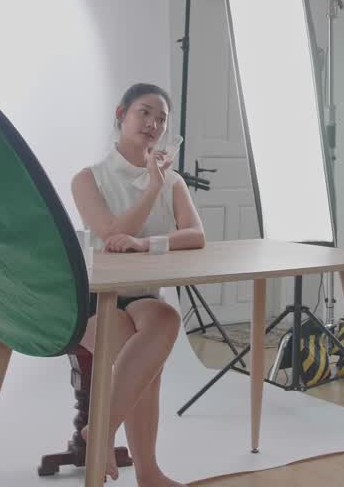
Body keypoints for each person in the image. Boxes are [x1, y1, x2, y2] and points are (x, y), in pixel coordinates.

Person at [71, 83, 206, 486]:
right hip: (97, 300)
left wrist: (147, 243)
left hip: (143, 295)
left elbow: (196, 234)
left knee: (163, 318)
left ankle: (106, 433)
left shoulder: (175, 181)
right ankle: (146, 472)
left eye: (161, 119)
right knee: (143, 357)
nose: (152, 124)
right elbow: (113, 236)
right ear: (121, 114)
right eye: (144, 113)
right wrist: (151, 189)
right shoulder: (87, 179)